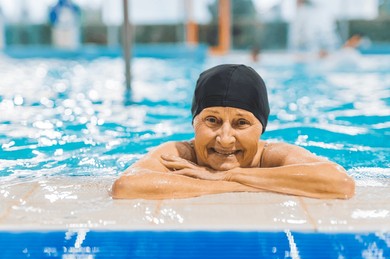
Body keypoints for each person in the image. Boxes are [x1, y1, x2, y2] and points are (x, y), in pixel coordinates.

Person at [112, 64, 355, 200]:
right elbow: (126, 185)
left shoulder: (273, 155)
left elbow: (340, 182)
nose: (225, 138)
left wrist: (227, 175)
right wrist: (229, 185)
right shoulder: (180, 154)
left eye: (241, 123)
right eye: (212, 120)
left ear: (261, 128)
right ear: (194, 123)